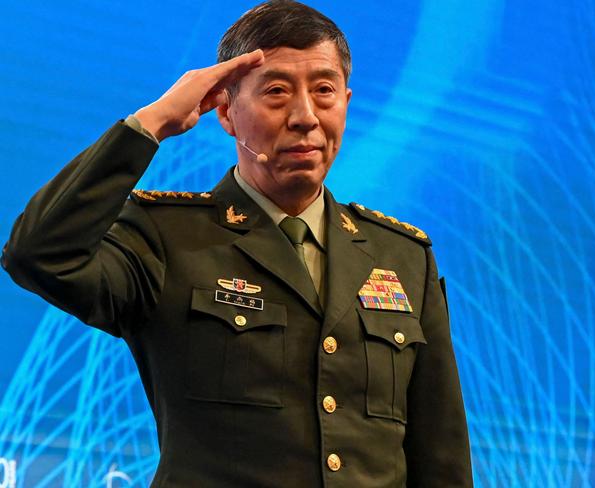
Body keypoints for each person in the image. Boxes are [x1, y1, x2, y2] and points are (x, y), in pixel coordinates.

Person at [2, 1, 472, 486]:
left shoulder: (403, 256)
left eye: (325, 92)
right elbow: (37, 254)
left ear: (347, 104)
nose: (306, 117)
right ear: (225, 111)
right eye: (277, 92)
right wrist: (153, 123)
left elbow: (442, 456)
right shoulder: (165, 236)